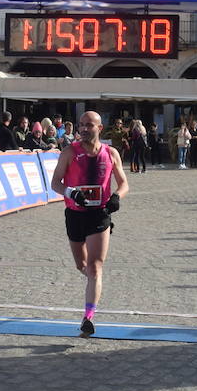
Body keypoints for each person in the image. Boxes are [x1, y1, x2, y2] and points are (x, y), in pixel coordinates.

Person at [51, 111, 129, 337]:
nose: (84, 129)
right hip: (75, 215)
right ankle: (95, 283)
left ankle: (88, 316)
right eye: (81, 125)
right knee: (81, 265)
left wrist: (116, 197)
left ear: (100, 128)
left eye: (89, 125)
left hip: (99, 214)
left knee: (95, 267)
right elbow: (55, 182)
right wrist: (70, 193)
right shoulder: (69, 152)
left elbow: (124, 184)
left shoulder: (111, 153)